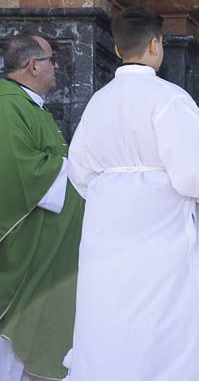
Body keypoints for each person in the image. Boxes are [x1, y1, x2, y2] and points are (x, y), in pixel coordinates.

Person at [67, 7, 199, 381]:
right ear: (156, 45)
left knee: (106, 319)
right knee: (165, 325)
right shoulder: (168, 99)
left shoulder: (99, 102)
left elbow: (79, 170)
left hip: (107, 234)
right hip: (163, 234)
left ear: (118, 46)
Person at [0, 33, 83, 381]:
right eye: (52, 61)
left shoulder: (27, 104)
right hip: (26, 247)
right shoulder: (7, 106)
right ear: (34, 66)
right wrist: (77, 167)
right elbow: (15, 168)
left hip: (46, 246)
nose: (57, 68)